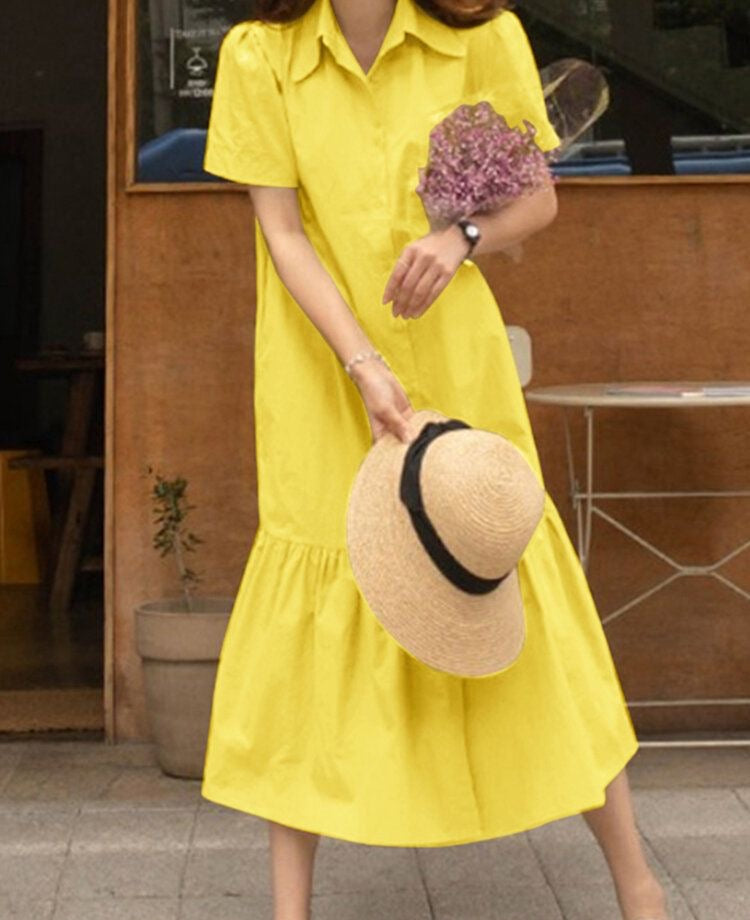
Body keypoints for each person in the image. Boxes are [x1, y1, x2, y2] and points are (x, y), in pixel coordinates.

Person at [200, 1, 671, 919]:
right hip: (320, 372)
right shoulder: (258, 54)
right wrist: (363, 362)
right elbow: (282, 231)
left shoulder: (480, 37)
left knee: (509, 581)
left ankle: (639, 885)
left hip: (457, 365)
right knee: (317, 613)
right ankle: (288, 911)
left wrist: (460, 239)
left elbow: (537, 198)